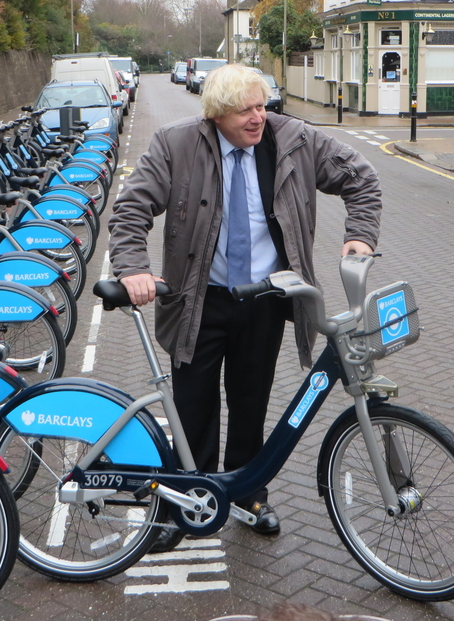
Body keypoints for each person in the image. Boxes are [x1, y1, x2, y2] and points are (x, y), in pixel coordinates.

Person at [108, 63, 381, 551]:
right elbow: (131, 209)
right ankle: (182, 501)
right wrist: (132, 267)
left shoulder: (295, 139)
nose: (259, 117)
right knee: (193, 406)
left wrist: (359, 235)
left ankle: (249, 493)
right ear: (215, 115)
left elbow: (361, 179)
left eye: (262, 105)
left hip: (266, 298)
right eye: (245, 110)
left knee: (251, 399)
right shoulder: (176, 145)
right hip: (197, 300)